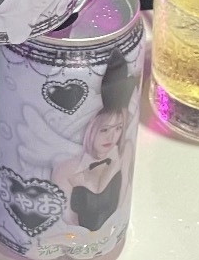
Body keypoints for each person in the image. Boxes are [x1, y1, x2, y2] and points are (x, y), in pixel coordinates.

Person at [51, 51, 138, 232]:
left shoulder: (125, 152)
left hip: (112, 234)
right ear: (91, 130)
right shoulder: (66, 169)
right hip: (73, 239)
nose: (111, 137)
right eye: (104, 130)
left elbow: (122, 197)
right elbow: (66, 218)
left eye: (118, 128)